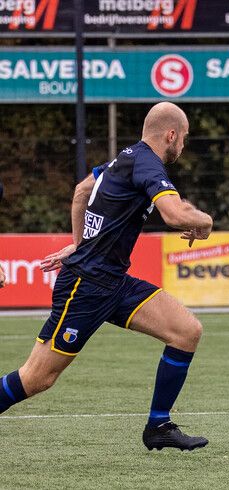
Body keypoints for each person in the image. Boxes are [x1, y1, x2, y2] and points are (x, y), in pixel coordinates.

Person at [0, 102, 214, 450]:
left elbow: (82, 191)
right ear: (171, 135)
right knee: (37, 377)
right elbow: (174, 215)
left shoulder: (125, 158)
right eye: (184, 139)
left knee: (186, 331)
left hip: (114, 281)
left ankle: (158, 426)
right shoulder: (147, 163)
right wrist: (205, 222)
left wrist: (81, 242)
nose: (184, 146)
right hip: (85, 286)